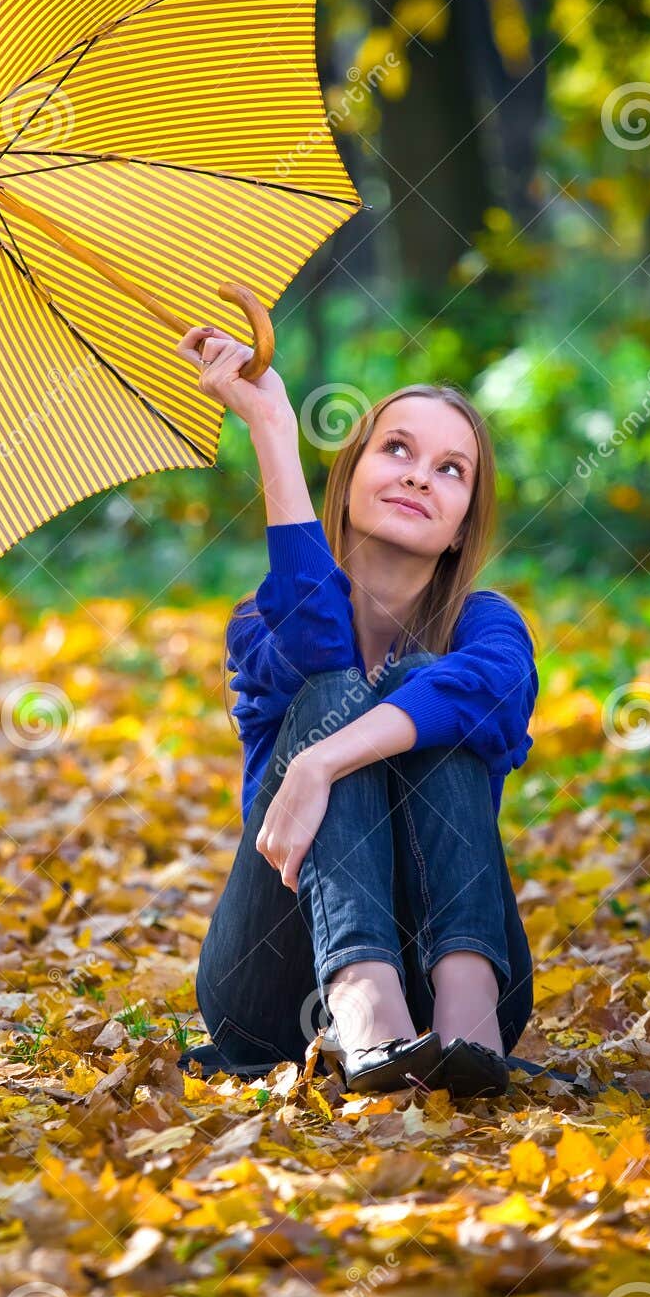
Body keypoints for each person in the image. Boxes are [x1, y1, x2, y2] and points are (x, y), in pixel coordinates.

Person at [172, 321, 538, 1101]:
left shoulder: (487, 624)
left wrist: (321, 761)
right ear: (351, 474)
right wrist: (270, 426)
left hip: (443, 964)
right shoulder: (260, 624)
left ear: (461, 525)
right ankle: (364, 1009)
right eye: (396, 450)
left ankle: (468, 1021)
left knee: (427, 684)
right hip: (274, 981)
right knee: (335, 694)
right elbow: (318, 644)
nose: (418, 477)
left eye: (450, 469)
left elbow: (485, 691)